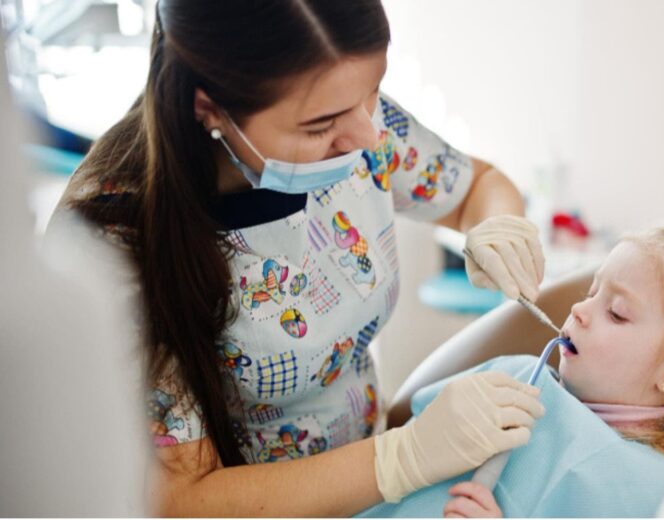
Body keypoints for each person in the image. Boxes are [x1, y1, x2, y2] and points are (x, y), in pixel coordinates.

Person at [46, 1, 547, 516]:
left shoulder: (355, 120)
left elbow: (477, 186)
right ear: (210, 108)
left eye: (372, 93)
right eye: (319, 126)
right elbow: (181, 498)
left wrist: (500, 224)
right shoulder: (113, 243)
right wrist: (403, 458)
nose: (367, 138)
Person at [358, 228, 664, 517]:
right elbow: (409, 431)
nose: (579, 310)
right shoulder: (516, 377)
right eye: (591, 292)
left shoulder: (663, 496)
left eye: (616, 312)